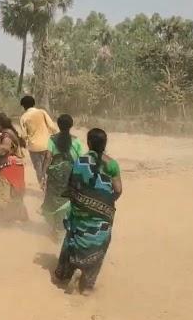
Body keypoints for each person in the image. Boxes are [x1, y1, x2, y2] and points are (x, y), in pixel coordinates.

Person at [54, 128, 123, 296]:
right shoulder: (112, 164)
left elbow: (72, 185)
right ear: (105, 144)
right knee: (100, 242)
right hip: (102, 214)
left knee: (74, 235)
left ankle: (68, 272)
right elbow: (118, 190)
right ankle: (87, 284)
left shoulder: (80, 161)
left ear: (89, 143)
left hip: (80, 211)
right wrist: (104, 202)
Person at [0, 113, 28, 226]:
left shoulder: (6, 135)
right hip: (17, 168)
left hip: (8, 169)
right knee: (15, 195)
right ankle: (15, 218)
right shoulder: (12, 133)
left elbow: (5, 149)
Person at [40, 114, 84, 233]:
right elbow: (81, 160)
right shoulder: (76, 141)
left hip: (55, 175)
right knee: (68, 200)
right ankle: (64, 226)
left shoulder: (52, 139)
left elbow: (48, 157)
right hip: (71, 175)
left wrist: (42, 174)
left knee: (53, 199)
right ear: (71, 125)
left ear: (58, 125)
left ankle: (55, 226)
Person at [19, 95, 58, 191]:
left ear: (23, 106)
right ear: (34, 103)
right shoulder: (42, 112)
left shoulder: (23, 117)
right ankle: (48, 185)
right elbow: (52, 127)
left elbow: (24, 135)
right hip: (46, 145)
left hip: (34, 147)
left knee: (38, 168)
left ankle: (42, 186)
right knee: (48, 167)